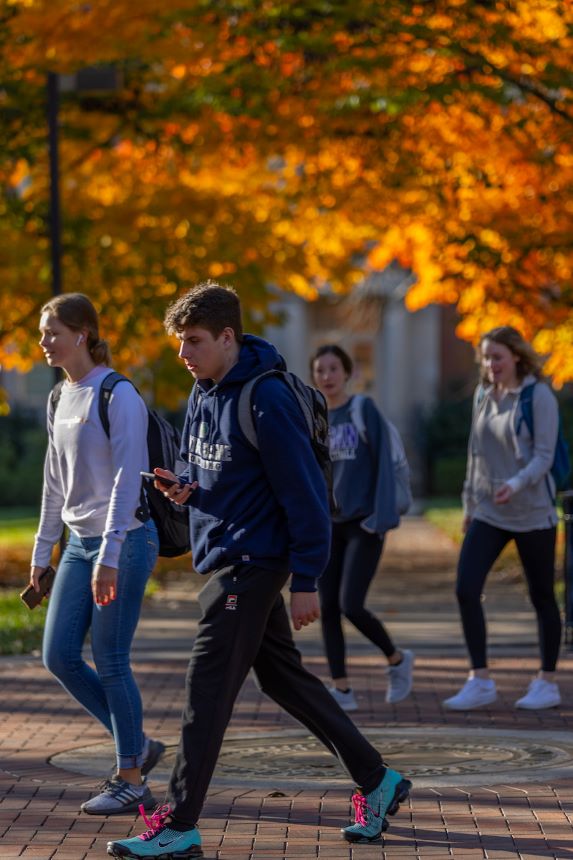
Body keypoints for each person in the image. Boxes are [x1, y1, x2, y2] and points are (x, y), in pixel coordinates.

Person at [107, 283, 412, 859]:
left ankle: (179, 823)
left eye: (193, 341)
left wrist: (306, 580)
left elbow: (304, 495)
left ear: (228, 337)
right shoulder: (204, 393)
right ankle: (377, 779)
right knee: (281, 678)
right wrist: (188, 492)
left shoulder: (265, 397)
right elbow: (227, 480)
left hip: (254, 565)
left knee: (206, 688)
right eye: (179, 342)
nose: (183, 354)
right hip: (226, 553)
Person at [31, 293, 165, 815]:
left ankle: (131, 777)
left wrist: (109, 555)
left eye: (52, 332)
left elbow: (127, 483)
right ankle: (137, 745)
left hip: (125, 540)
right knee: (58, 655)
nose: (43, 342)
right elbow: (52, 483)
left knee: (110, 659)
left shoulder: (117, 393)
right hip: (78, 545)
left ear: (82, 333)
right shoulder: (57, 398)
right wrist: (43, 553)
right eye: (43, 333)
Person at [443, 326, 562, 711]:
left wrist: (515, 482)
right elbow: (475, 454)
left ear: (516, 356)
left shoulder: (537, 395)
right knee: (465, 587)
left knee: (542, 596)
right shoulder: (483, 395)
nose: (491, 365)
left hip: (532, 512)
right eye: (486, 358)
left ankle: (547, 681)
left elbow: (544, 455)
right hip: (491, 511)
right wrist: (468, 505)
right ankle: (480, 680)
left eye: (497, 357)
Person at [310, 345, 414, 711]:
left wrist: (381, 517)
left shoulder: (362, 409)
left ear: (349, 373)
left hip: (364, 523)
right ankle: (341, 688)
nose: (326, 376)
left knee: (351, 604)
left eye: (334, 368)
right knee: (328, 607)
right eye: (320, 370)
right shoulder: (314, 417)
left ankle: (397, 659)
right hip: (328, 525)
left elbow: (386, 461)